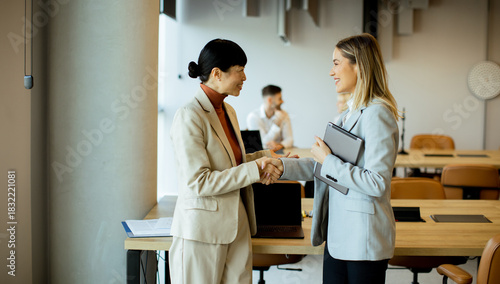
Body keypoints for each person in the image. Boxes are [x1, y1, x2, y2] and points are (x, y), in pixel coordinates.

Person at [277, 33, 400, 284]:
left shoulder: (377, 114)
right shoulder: (347, 114)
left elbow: (377, 183)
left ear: (359, 65)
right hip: (339, 236)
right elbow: (324, 167)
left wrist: (328, 159)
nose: (331, 72)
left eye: (336, 63)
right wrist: (281, 166)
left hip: (363, 240)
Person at [168, 39, 283, 284]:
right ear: (217, 74)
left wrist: (266, 159)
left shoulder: (228, 111)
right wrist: (254, 169)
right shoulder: (189, 116)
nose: (244, 77)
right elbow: (199, 182)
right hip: (202, 232)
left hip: (237, 226)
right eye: (240, 70)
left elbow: (231, 165)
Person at [246, 84, 293, 152]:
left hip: (280, 152)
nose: (282, 101)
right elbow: (262, 143)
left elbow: (290, 140)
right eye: (279, 99)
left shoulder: (284, 114)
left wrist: (279, 145)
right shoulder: (253, 117)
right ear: (270, 100)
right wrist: (277, 124)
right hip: (261, 156)